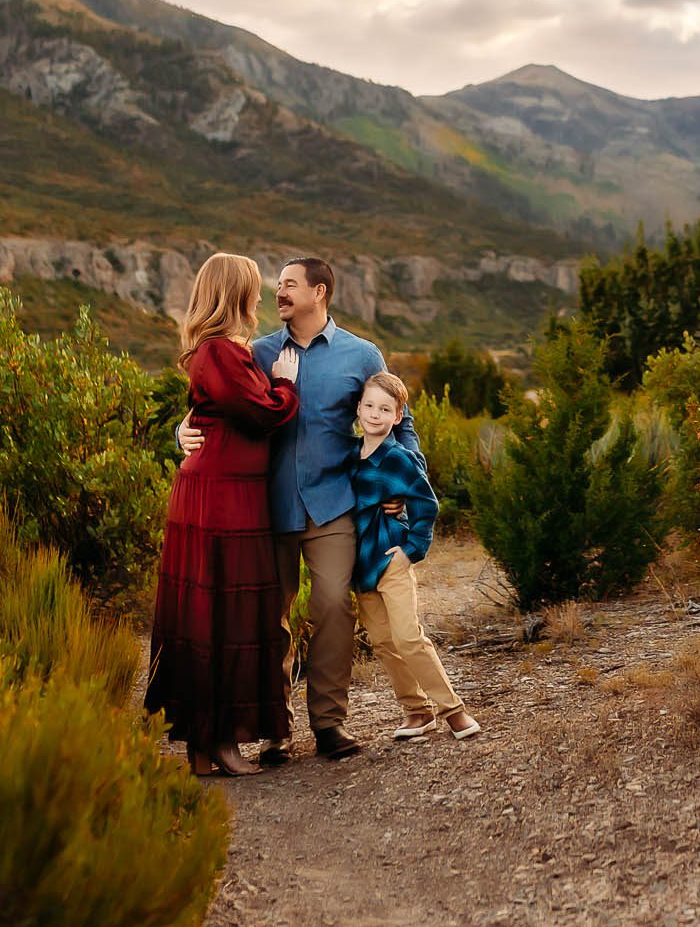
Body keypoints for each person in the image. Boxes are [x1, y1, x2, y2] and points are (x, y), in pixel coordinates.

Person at [178, 256, 420, 762]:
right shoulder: (257, 352)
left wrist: (407, 483)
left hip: (333, 504)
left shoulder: (361, 354)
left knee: (332, 607)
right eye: (278, 286)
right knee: (267, 618)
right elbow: (213, 403)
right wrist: (181, 430)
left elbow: (401, 422)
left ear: (320, 292)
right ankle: (276, 730)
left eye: (289, 285)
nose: (279, 294)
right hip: (263, 508)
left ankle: (330, 724)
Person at [146, 252, 302, 777]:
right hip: (220, 497)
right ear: (233, 293)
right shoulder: (218, 352)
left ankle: (206, 745)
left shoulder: (224, 351)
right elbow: (263, 414)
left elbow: (212, 412)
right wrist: (286, 385)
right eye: (253, 288)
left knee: (216, 610)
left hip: (229, 490)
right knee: (221, 612)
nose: (259, 297)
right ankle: (220, 742)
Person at [350, 371, 480, 741]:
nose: (375, 414)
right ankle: (416, 710)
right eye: (370, 406)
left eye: (385, 409)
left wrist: (411, 550)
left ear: (397, 417)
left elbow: (427, 505)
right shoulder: (350, 456)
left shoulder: (398, 458)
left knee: (408, 637)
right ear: (358, 408)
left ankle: (453, 710)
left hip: (390, 559)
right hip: (360, 566)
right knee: (382, 642)